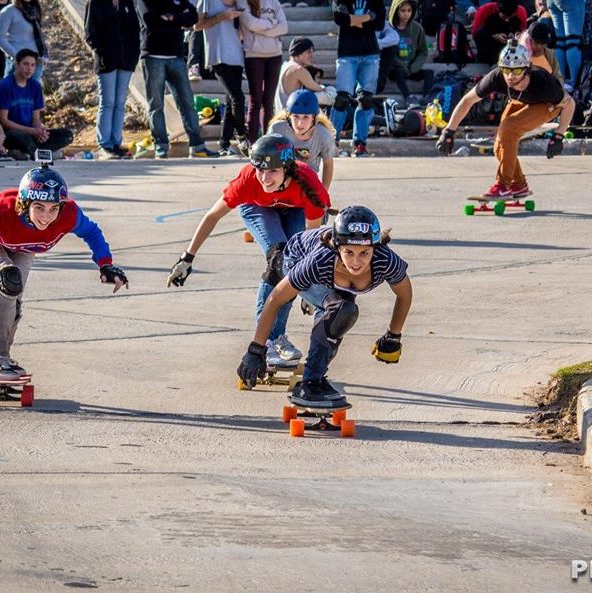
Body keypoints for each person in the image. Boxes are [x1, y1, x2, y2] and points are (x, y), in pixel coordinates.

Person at [0, 159, 129, 382]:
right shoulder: (0, 214)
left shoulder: (69, 215)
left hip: (22, 244)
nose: (47, 216)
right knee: (7, 279)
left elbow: (92, 232)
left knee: (14, 295)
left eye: (53, 209)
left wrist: (105, 263)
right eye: (39, 207)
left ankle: (3, 358)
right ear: (24, 204)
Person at [166, 133, 331, 367]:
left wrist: (308, 284)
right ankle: (265, 343)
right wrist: (188, 257)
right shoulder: (248, 179)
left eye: (272, 171)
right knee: (278, 261)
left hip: (294, 210)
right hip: (257, 209)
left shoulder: (309, 184)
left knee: (294, 266)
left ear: (287, 168)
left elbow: (311, 241)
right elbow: (212, 216)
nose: (264, 177)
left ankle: (278, 337)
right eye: (260, 170)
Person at [236, 205, 413, 408]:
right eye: (349, 252)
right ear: (338, 247)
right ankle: (310, 385)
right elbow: (276, 298)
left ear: (375, 247)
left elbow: (404, 295)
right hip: (292, 260)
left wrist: (393, 335)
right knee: (342, 310)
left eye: (364, 253)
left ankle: (315, 376)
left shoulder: (385, 261)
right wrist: (256, 349)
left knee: (340, 314)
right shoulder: (320, 261)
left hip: (332, 282)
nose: (356, 262)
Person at [436, 40, 574, 198]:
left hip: (549, 105)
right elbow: (467, 101)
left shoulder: (543, 83)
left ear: (526, 69)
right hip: (522, 100)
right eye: (506, 69)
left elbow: (570, 104)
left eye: (516, 71)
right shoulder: (496, 77)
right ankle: (519, 185)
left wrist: (559, 135)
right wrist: (448, 131)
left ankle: (503, 185)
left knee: (509, 127)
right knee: (500, 144)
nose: (510, 76)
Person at [135, 0, 219, 159]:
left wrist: (171, 17)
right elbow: (150, 21)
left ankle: (197, 146)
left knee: (187, 103)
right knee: (156, 105)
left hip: (177, 57)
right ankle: (161, 145)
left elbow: (193, 17)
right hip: (153, 56)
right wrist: (178, 18)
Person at [84, 0, 141, 160]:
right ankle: (105, 144)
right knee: (107, 102)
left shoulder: (127, 3)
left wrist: (133, 54)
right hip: (106, 62)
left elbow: (135, 29)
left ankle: (116, 143)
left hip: (126, 61)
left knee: (120, 103)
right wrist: (102, 52)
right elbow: (90, 33)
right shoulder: (95, 3)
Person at [330, 0, 387, 158]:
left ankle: (360, 143)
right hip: (347, 53)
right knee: (342, 98)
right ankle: (331, 140)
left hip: (370, 53)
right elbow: (339, 18)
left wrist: (353, 20)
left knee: (366, 98)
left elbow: (380, 23)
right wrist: (369, 17)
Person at [0, 49, 73, 159]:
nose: (29, 69)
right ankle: (44, 154)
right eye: (25, 64)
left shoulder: (35, 86)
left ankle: (28, 153)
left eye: (33, 65)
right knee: (20, 138)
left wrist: (40, 132)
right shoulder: (5, 86)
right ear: (16, 65)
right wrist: (32, 131)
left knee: (67, 135)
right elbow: (3, 121)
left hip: (31, 134)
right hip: (12, 133)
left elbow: (35, 118)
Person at [195, 0, 249, 157]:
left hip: (237, 57)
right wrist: (222, 16)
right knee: (238, 98)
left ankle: (224, 144)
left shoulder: (240, 2)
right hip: (218, 56)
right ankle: (241, 135)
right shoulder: (208, 1)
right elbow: (197, 26)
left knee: (231, 101)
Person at [237, 0, 288, 142]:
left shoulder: (274, 2)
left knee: (269, 101)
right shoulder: (243, 2)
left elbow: (284, 27)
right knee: (256, 101)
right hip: (253, 56)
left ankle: (269, 140)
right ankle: (253, 143)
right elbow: (251, 24)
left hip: (275, 55)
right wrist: (272, 23)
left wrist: (262, 28)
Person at [269, 89, 336, 188]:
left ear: (313, 118)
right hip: (280, 181)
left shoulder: (324, 135)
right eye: (296, 116)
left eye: (306, 117)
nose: (300, 123)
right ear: (289, 116)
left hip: (307, 181)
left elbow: (328, 165)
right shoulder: (277, 129)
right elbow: (266, 159)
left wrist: (324, 192)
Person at [387, 0, 434, 102]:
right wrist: (402, 66)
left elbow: (423, 51)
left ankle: (426, 98)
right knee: (398, 73)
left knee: (429, 73)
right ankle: (408, 97)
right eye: (403, 11)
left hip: (411, 68)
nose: (406, 14)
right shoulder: (389, 29)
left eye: (409, 10)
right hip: (396, 68)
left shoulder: (417, 28)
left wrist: (414, 67)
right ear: (396, 11)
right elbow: (389, 54)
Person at [0, 0, 47, 82]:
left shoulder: (34, 10)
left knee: (32, 94)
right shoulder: (8, 11)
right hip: (17, 65)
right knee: (13, 94)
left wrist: (43, 58)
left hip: (36, 64)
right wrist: (19, 57)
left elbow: (38, 37)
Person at [274, 37, 329, 113]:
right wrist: (331, 91)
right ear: (298, 53)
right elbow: (320, 89)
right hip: (291, 120)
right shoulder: (298, 70)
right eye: (308, 52)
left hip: (281, 116)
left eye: (312, 52)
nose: (312, 55)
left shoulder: (284, 66)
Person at [472, 0, 528, 65]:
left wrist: (515, 35)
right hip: (490, 42)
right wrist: (494, 36)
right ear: (498, 9)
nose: (507, 20)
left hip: (510, 43)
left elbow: (523, 34)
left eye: (510, 18)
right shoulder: (484, 10)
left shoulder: (521, 12)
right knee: (482, 32)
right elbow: (476, 34)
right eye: (504, 17)